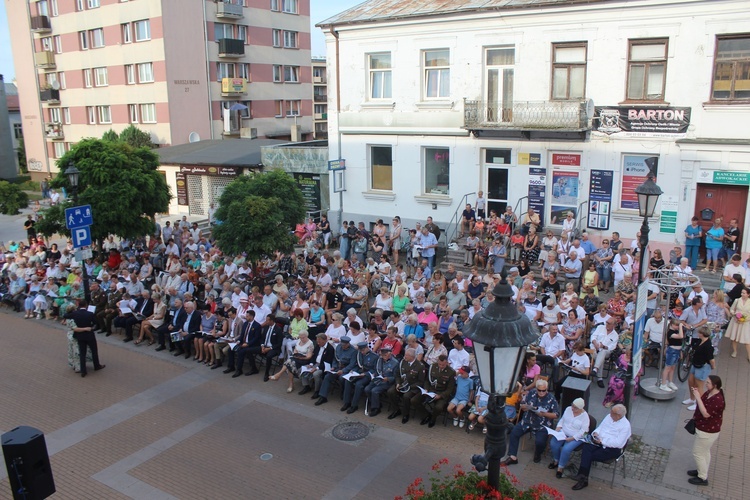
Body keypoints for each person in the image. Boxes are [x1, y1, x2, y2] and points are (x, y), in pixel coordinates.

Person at [572, 404, 631, 491]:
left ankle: (583, 478)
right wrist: (595, 433)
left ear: (618, 416)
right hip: (599, 442)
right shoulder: (609, 417)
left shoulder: (625, 426)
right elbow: (600, 428)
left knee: (588, 456)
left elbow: (619, 443)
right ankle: (583, 477)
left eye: (612, 412)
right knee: (586, 447)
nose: (610, 413)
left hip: (611, 449)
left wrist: (603, 441)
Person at [502, 379, 559, 465]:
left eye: (544, 390)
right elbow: (523, 403)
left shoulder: (551, 398)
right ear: (536, 389)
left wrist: (544, 414)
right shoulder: (531, 393)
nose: (541, 392)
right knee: (514, 433)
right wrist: (524, 407)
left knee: (540, 442)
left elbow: (556, 415)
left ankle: (538, 454)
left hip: (542, 425)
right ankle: (513, 457)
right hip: (527, 421)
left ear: (546, 389)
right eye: (539, 390)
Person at [688, 375, 725, 486]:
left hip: (708, 431)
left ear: (715, 385)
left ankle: (702, 478)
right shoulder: (709, 393)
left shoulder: (718, 400)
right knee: (705, 452)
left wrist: (697, 397)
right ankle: (701, 471)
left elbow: (706, 413)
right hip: (704, 428)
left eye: (708, 383)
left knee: (697, 452)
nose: (706, 384)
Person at [547, 397, 590, 478]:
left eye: (575, 408)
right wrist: (558, 427)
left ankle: (560, 467)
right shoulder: (568, 409)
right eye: (572, 406)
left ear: (581, 408)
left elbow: (584, 432)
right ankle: (556, 460)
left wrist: (572, 438)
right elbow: (562, 420)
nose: (572, 408)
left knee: (566, 449)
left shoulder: (585, 417)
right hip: (563, 432)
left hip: (576, 436)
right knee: (553, 443)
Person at [63, 299, 106, 377]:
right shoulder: (90, 314)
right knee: (94, 351)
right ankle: (96, 366)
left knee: (82, 353)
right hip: (89, 334)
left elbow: (65, 315)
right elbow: (96, 322)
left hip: (80, 335)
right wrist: (91, 326)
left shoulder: (75, 314)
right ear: (86, 305)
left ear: (79, 305)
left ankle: (83, 370)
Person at [387, 347, 426, 424]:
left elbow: (421, 382)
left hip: (412, 387)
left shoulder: (420, 366)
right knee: (390, 391)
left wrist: (409, 387)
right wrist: (398, 383)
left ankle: (406, 414)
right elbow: (397, 374)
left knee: (406, 396)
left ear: (412, 357)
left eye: (406, 355)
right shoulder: (403, 362)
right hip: (402, 384)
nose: (405, 357)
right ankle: (396, 409)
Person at [340, 341, 379, 414]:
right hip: (358, 372)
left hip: (367, 375)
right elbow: (357, 365)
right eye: (360, 350)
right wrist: (353, 371)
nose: (362, 352)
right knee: (348, 380)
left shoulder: (375, 357)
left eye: (363, 350)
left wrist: (365, 373)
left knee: (358, 384)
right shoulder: (359, 354)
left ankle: (354, 405)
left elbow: (375, 370)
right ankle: (347, 402)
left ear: (367, 348)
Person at [682, 326, 715, 411]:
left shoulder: (708, 346)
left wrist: (713, 366)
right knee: (691, 381)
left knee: (699, 386)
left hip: (702, 366)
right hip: (695, 364)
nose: (698, 333)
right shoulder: (700, 341)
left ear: (702, 334)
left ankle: (699, 403)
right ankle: (692, 398)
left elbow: (711, 359)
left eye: (699, 332)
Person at [419, 354, 456, 428]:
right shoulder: (433, 367)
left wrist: (440, 396)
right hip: (430, 390)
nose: (441, 366)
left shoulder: (451, 372)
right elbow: (427, 380)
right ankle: (426, 415)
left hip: (442, 393)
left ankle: (433, 418)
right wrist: (426, 389)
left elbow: (450, 389)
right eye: (439, 364)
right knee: (415, 400)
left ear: (447, 363)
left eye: (443, 365)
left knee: (438, 407)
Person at [363, 346, 398, 417]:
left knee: (374, 391)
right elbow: (377, 370)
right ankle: (375, 402)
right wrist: (374, 375)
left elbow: (396, 377)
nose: (383, 357)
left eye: (385, 355)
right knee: (367, 389)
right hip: (378, 379)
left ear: (389, 354)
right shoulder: (380, 360)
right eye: (382, 355)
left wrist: (388, 379)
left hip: (386, 382)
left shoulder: (395, 363)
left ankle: (376, 408)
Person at [298, 332, 335, 398]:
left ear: (324, 340)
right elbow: (314, 356)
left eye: (319, 341)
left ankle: (317, 390)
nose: (318, 343)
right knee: (302, 369)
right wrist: (311, 364)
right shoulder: (318, 346)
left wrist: (316, 368)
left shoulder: (330, 349)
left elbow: (327, 363)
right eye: (317, 341)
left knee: (316, 374)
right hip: (315, 364)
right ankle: (306, 386)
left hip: (323, 366)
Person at [727, 287, 750, 361]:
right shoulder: (737, 300)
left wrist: (745, 319)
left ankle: (749, 355)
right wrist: (735, 315)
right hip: (736, 321)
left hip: (745, 322)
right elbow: (732, 309)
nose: (742, 294)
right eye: (741, 293)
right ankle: (735, 351)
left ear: (748, 294)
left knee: (747, 339)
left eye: (744, 293)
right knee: (734, 337)